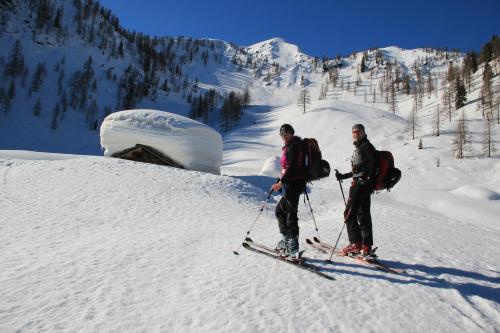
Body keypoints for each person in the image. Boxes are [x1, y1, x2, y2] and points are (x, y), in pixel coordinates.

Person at [335, 124, 378, 258]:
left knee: (349, 213)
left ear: (364, 132)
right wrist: (343, 176)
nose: (355, 134)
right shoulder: (362, 147)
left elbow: (373, 165)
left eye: (358, 131)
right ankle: (366, 247)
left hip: (360, 185)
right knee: (363, 215)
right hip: (364, 185)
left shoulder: (366, 146)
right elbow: (359, 170)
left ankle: (355, 244)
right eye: (353, 132)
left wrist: (367, 179)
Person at [271, 124, 306, 259]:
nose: (283, 137)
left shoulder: (294, 146)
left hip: (295, 183)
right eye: (281, 135)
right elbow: (288, 168)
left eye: (286, 134)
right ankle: (286, 239)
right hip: (290, 182)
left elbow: (292, 167)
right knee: (280, 210)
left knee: (291, 214)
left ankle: (293, 247)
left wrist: (281, 182)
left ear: (291, 133)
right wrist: (281, 179)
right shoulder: (290, 147)